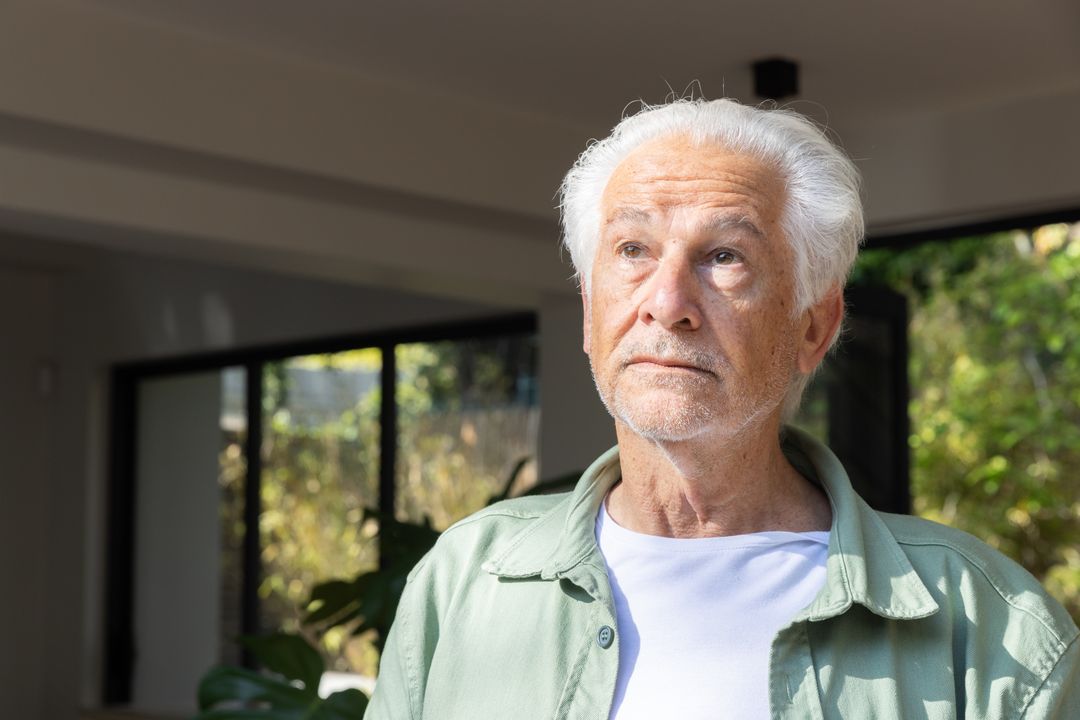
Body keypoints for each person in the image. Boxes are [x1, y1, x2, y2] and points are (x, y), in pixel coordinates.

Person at [364, 99, 1079, 719]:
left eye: (725, 257)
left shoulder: (990, 632)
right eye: (633, 248)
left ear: (813, 327)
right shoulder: (466, 577)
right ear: (589, 313)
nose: (667, 303)